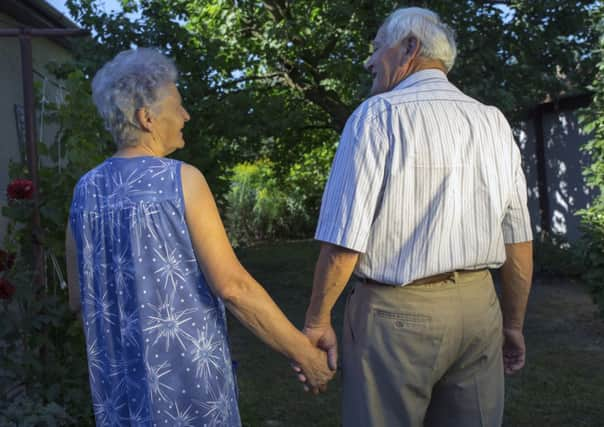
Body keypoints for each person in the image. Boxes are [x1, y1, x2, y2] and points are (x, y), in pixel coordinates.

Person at [65, 48, 333, 427]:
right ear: (147, 118)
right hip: (187, 391)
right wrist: (304, 354)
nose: (186, 115)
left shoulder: (84, 193)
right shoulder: (181, 180)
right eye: (178, 105)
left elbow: (79, 300)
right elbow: (233, 286)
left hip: (120, 396)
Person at [301, 7, 533, 427]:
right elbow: (518, 239)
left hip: (395, 319)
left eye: (376, 48)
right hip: (480, 313)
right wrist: (512, 324)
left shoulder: (377, 116)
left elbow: (343, 243)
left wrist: (317, 321)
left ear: (409, 48)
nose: (370, 61)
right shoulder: (494, 122)